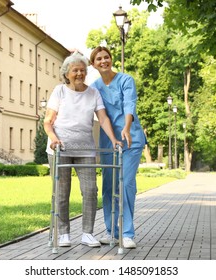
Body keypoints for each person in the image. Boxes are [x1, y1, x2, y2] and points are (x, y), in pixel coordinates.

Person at [44, 51, 122, 248]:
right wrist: (54, 139)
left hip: (85, 149)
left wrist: (113, 139)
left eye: (82, 70)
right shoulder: (59, 91)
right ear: (67, 73)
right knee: (62, 192)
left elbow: (102, 118)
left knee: (90, 191)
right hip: (61, 149)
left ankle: (87, 233)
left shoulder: (93, 93)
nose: (79, 73)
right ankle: (63, 233)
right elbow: (48, 121)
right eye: (75, 70)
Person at [90, 46, 146, 249]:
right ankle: (111, 232)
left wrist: (127, 128)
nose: (103, 61)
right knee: (108, 187)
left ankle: (127, 233)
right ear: (93, 64)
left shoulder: (125, 80)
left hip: (131, 139)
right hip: (109, 142)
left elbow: (129, 104)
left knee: (125, 184)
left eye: (106, 57)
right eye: (98, 59)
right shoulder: (94, 87)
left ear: (111, 59)